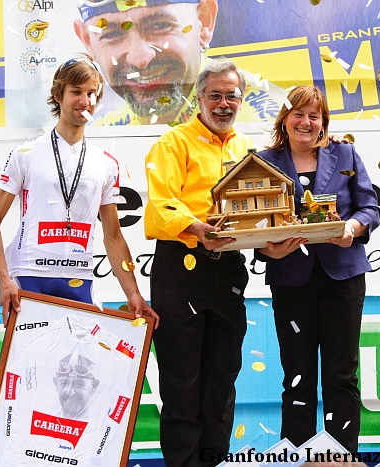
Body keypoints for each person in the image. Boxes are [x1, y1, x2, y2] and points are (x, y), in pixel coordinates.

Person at [0, 55, 157, 329]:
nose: (85, 101)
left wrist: (133, 294)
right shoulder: (25, 154)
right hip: (29, 275)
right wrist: (4, 279)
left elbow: (112, 236)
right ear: (58, 95)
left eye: (92, 94)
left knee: (82, 357)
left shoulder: (106, 163)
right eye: (76, 92)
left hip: (79, 278)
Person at [255, 86, 380, 454]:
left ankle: (342, 458)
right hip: (290, 279)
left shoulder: (345, 153)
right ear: (285, 119)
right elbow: (254, 221)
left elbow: (370, 208)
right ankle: (296, 457)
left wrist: (351, 228)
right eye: (298, 114)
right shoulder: (264, 161)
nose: (306, 122)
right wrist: (267, 248)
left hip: (343, 277)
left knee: (341, 376)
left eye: (314, 115)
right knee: (297, 377)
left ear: (323, 122)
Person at [144, 57, 253, 467]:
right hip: (181, 268)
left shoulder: (245, 147)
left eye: (231, 96)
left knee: (223, 377)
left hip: (228, 269)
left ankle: (213, 460)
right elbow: (161, 205)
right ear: (199, 98)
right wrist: (197, 227)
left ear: (241, 100)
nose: (224, 104)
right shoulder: (173, 143)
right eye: (215, 95)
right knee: (181, 380)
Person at [74, 0, 285, 126]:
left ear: (204, 22)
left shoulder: (267, 121)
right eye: (111, 35)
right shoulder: (100, 131)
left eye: (159, 25)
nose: (140, 59)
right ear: (88, 42)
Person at [54, 353, 100, 420]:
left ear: (94, 387)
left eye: (79, 385)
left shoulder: (100, 421)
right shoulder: (45, 412)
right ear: (56, 384)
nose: (70, 393)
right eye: (64, 383)